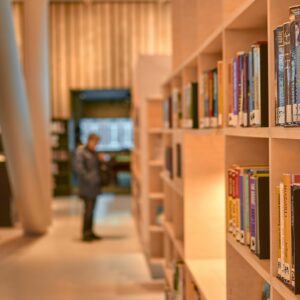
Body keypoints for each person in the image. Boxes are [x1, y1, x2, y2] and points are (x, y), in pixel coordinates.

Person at [75, 133, 102, 242]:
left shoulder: (94, 153)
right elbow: (79, 169)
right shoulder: (81, 153)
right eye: (94, 142)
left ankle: (90, 231)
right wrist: (89, 178)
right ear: (89, 140)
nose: (95, 145)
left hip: (95, 186)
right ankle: (85, 233)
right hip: (87, 187)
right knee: (88, 210)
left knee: (92, 210)